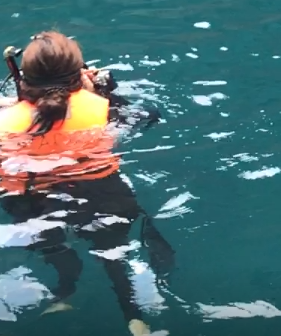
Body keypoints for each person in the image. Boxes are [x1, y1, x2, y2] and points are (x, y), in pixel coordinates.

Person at [0, 32, 172, 335]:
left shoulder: (4, 117)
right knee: (115, 256)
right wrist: (105, 94)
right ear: (79, 74)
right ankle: (134, 318)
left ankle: (64, 295)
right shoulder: (102, 108)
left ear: (23, 76)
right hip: (100, 191)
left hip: (30, 198)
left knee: (54, 250)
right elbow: (149, 117)